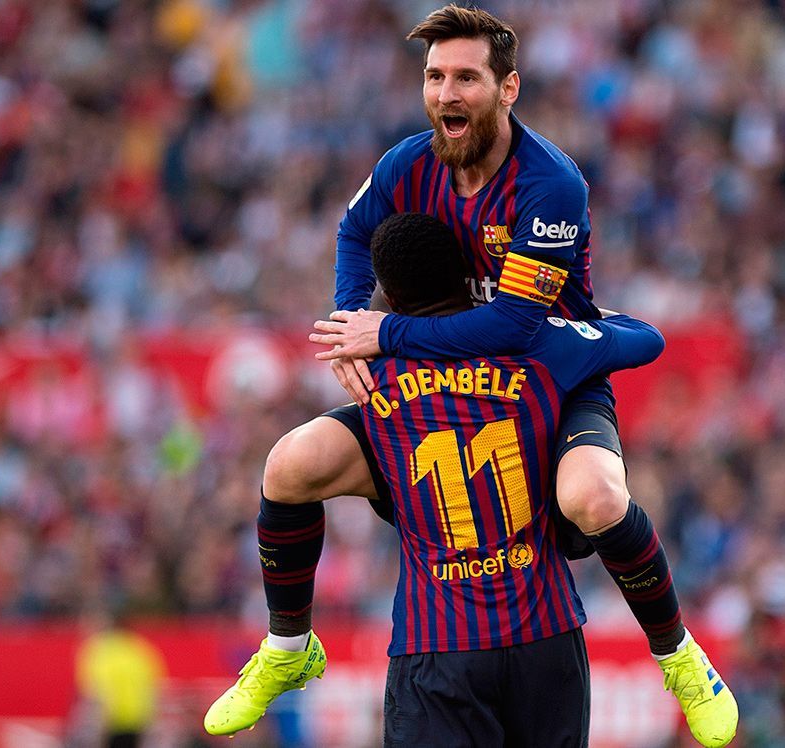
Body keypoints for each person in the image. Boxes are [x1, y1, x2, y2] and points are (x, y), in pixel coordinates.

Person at [206, 5, 737, 746]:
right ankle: (288, 649)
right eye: (434, 77)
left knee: (590, 495)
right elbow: (356, 231)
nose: (446, 93)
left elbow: (515, 327)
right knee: (290, 465)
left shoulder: (549, 183)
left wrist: (385, 331)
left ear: (508, 87)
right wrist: (350, 322)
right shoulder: (407, 165)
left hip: (546, 378)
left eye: (465, 77)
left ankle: (679, 656)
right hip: (434, 383)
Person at [371, 212, 671, 745]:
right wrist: (566, 314)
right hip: (545, 633)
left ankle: (287, 639)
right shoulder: (537, 346)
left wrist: (384, 332)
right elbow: (645, 339)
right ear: (470, 277)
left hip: (437, 639)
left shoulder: (373, 371)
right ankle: (677, 649)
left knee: (294, 465)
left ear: (390, 298)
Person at [75, 607, 166, 748]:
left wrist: (97, 732)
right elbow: (153, 689)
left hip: (110, 725)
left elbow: (99, 694)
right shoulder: (139, 648)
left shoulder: (98, 651)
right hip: (138, 724)